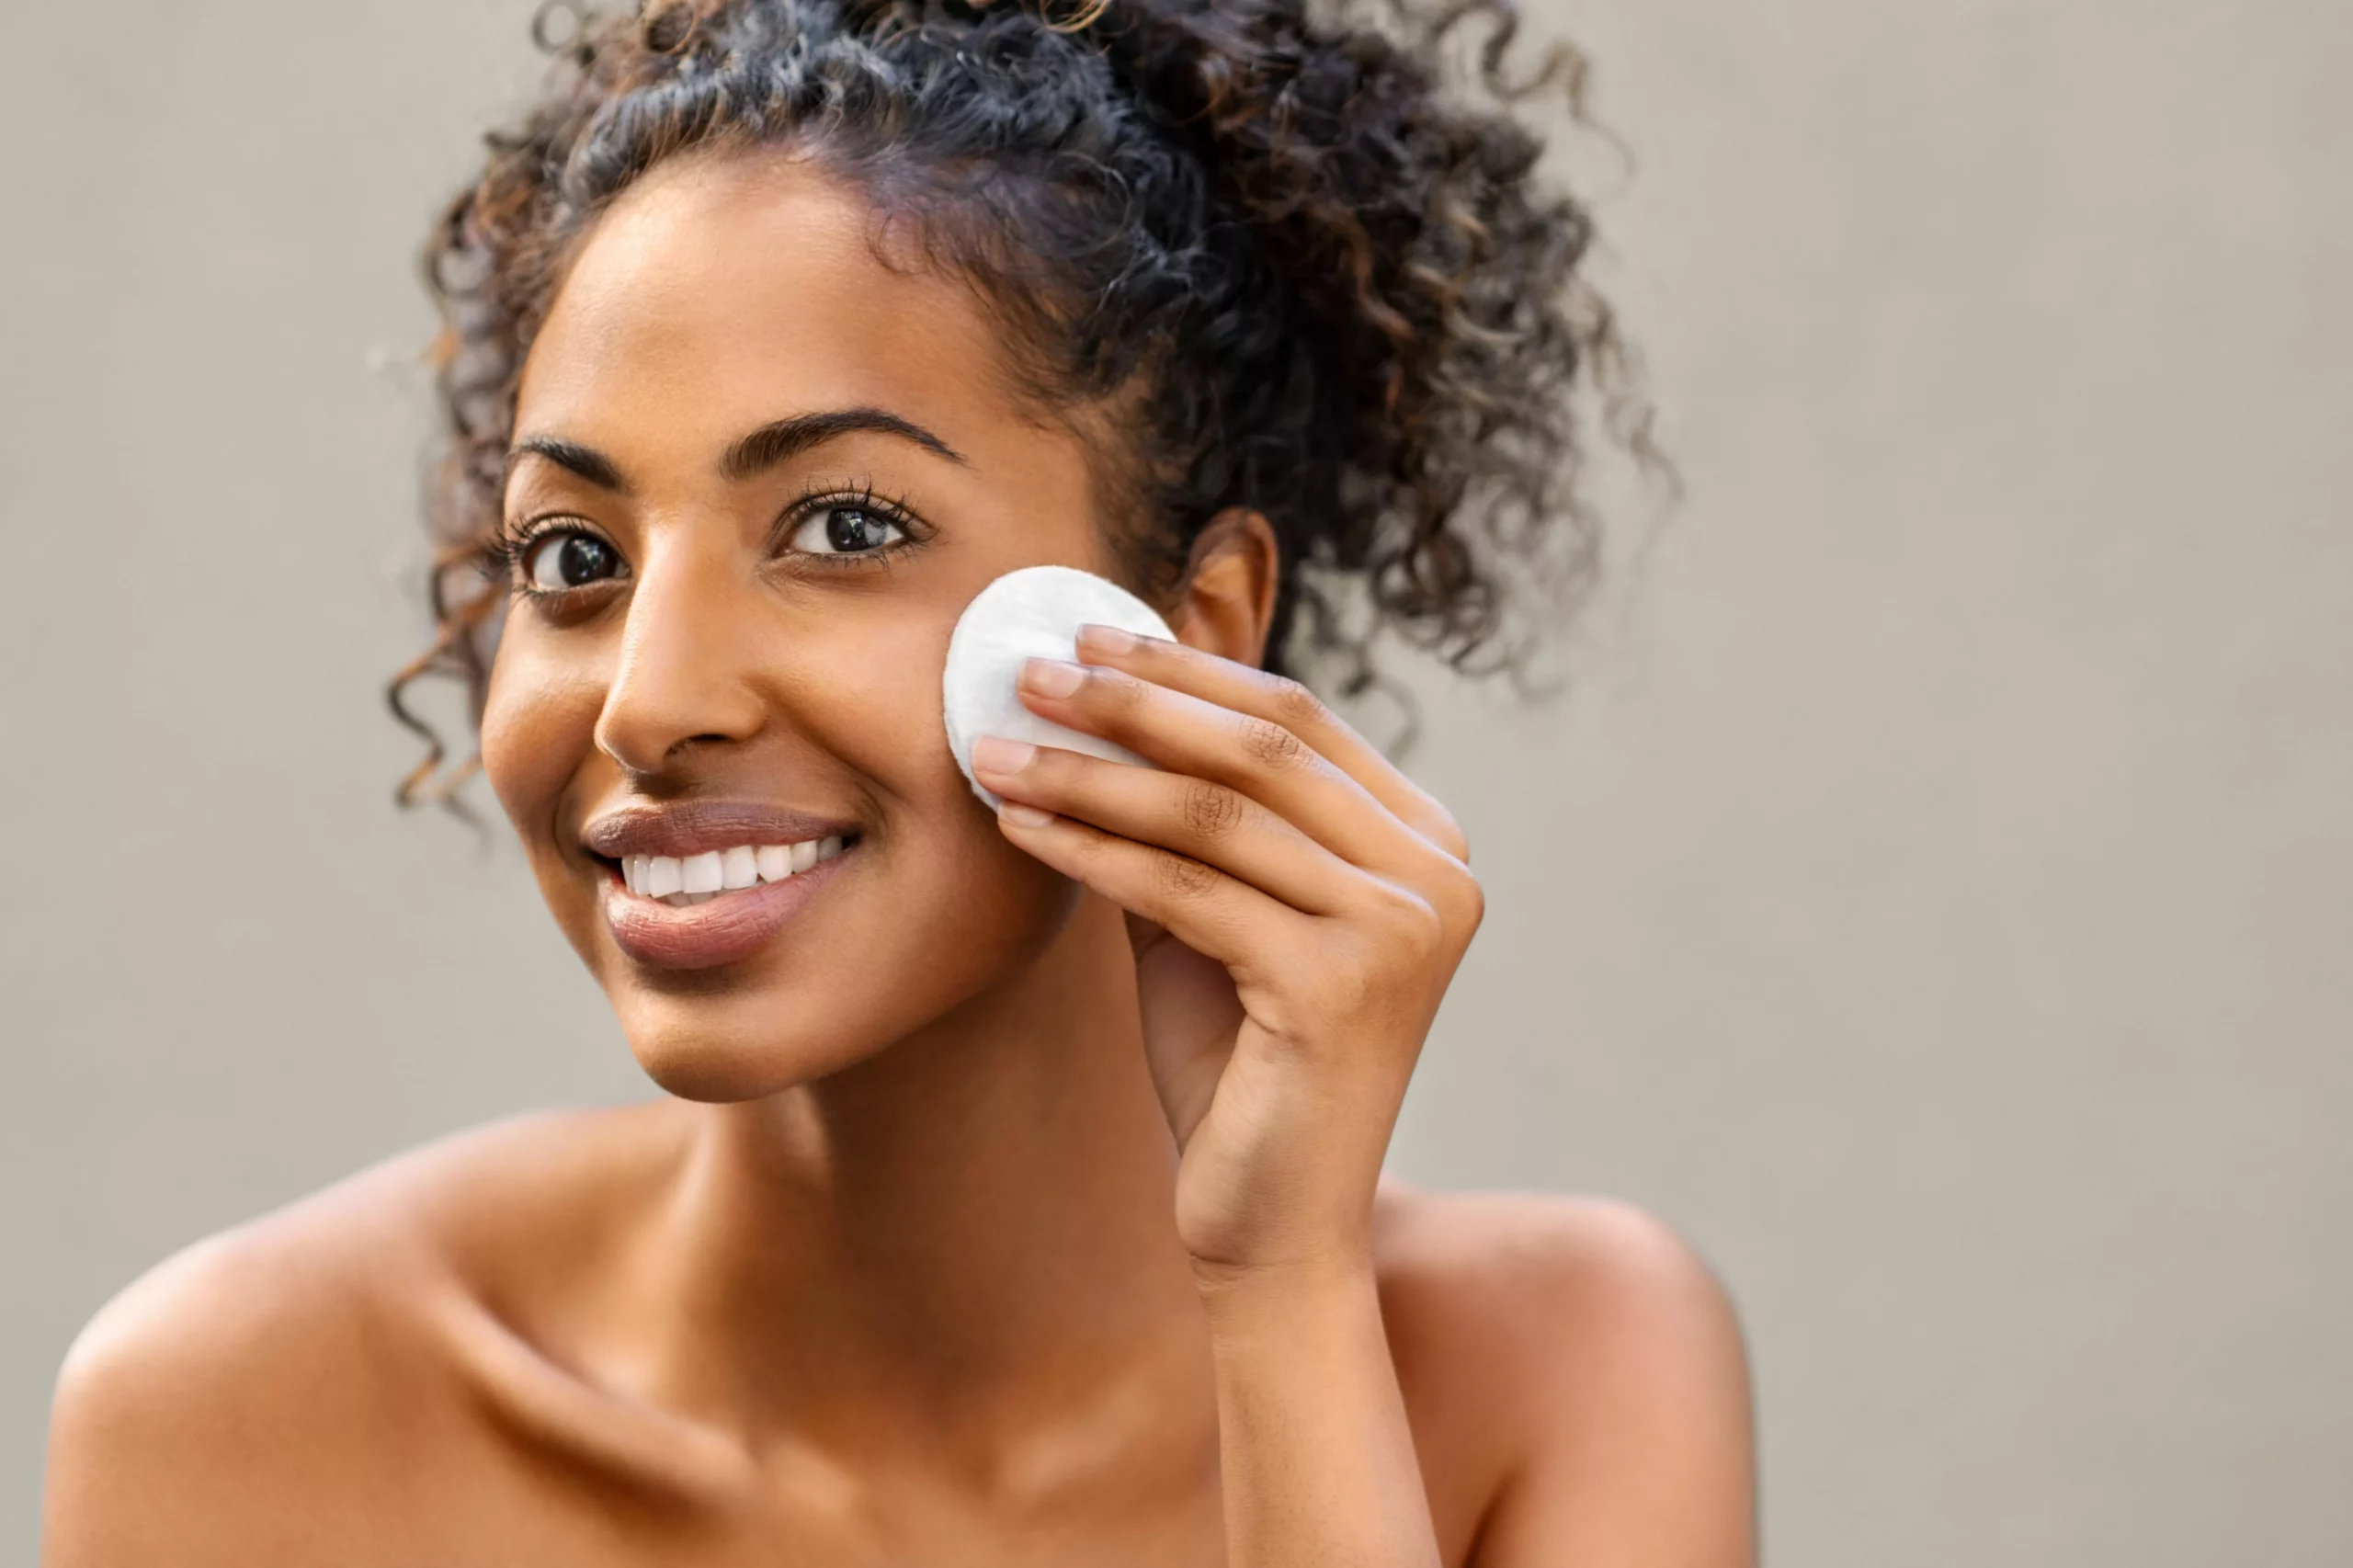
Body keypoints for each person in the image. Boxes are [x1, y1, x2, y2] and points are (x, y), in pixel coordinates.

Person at [42, 0, 1755, 1561]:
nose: (649, 699)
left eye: (844, 525)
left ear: (1192, 624)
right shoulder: (248, 1422)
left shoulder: (1565, 1373)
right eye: (571, 553)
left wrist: (1285, 1290)